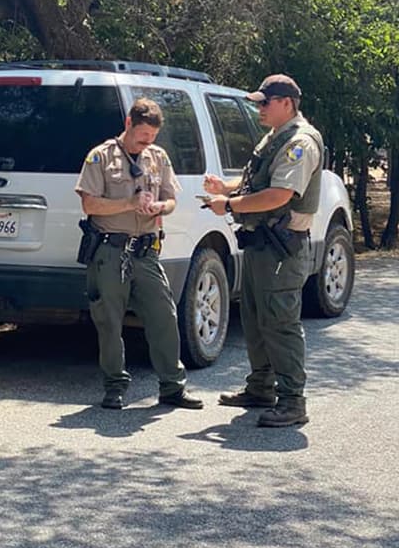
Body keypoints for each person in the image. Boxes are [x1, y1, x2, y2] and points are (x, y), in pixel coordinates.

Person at [202, 74, 322, 427]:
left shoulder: (301, 142)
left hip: (280, 248)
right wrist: (226, 187)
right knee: (255, 318)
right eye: (258, 103)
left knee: (280, 322)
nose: (259, 109)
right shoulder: (277, 137)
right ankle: (260, 387)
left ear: (287, 102)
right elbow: (260, 181)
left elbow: (279, 195)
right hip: (261, 244)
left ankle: (292, 401)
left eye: (264, 103)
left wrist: (231, 204)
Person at [75, 98, 203, 411]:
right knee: (109, 321)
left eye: (153, 137)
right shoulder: (100, 157)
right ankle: (115, 386)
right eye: (143, 135)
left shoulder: (157, 157)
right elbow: (90, 205)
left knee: (164, 316)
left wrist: (160, 207)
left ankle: (172, 386)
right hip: (110, 250)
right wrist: (129, 204)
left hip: (146, 250)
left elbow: (171, 200)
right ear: (129, 123)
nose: (147, 142)